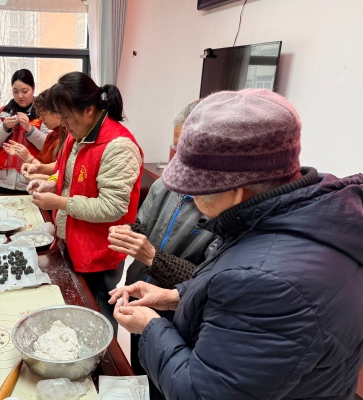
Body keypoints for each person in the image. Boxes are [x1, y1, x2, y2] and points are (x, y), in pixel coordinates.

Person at [109, 89, 363, 399]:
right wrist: (176, 296)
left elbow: (201, 393)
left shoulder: (269, 283)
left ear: (236, 191)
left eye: (195, 190)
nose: (190, 198)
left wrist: (151, 327)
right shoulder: (308, 215)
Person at [106, 101, 216, 399]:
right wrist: (129, 233)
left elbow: (209, 280)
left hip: (182, 311)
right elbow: (143, 225)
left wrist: (153, 257)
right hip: (142, 291)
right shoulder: (164, 185)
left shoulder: (222, 205)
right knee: (140, 368)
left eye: (187, 153)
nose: (177, 162)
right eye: (175, 150)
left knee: (169, 382)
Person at [27, 71, 143, 334]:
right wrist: (51, 185)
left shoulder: (118, 146)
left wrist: (60, 201)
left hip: (100, 250)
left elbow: (112, 207)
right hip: (74, 239)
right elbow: (70, 178)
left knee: (98, 317)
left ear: (89, 110)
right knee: (78, 311)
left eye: (66, 117)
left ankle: (104, 357)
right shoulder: (78, 133)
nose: (63, 125)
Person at [0, 69, 49, 194]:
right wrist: (4, 127)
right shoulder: (3, 112)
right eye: (15, 91)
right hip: (4, 180)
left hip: (32, 178)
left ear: (33, 88)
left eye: (25, 91)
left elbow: (48, 146)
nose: (20, 96)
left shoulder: (43, 112)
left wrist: (29, 129)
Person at [20, 88, 67, 181]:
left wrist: (29, 158)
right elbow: (43, 163)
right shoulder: (51, 136)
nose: (41, 118)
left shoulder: (69, 137)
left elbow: (61, 172)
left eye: (43, 113)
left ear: (57, 113)